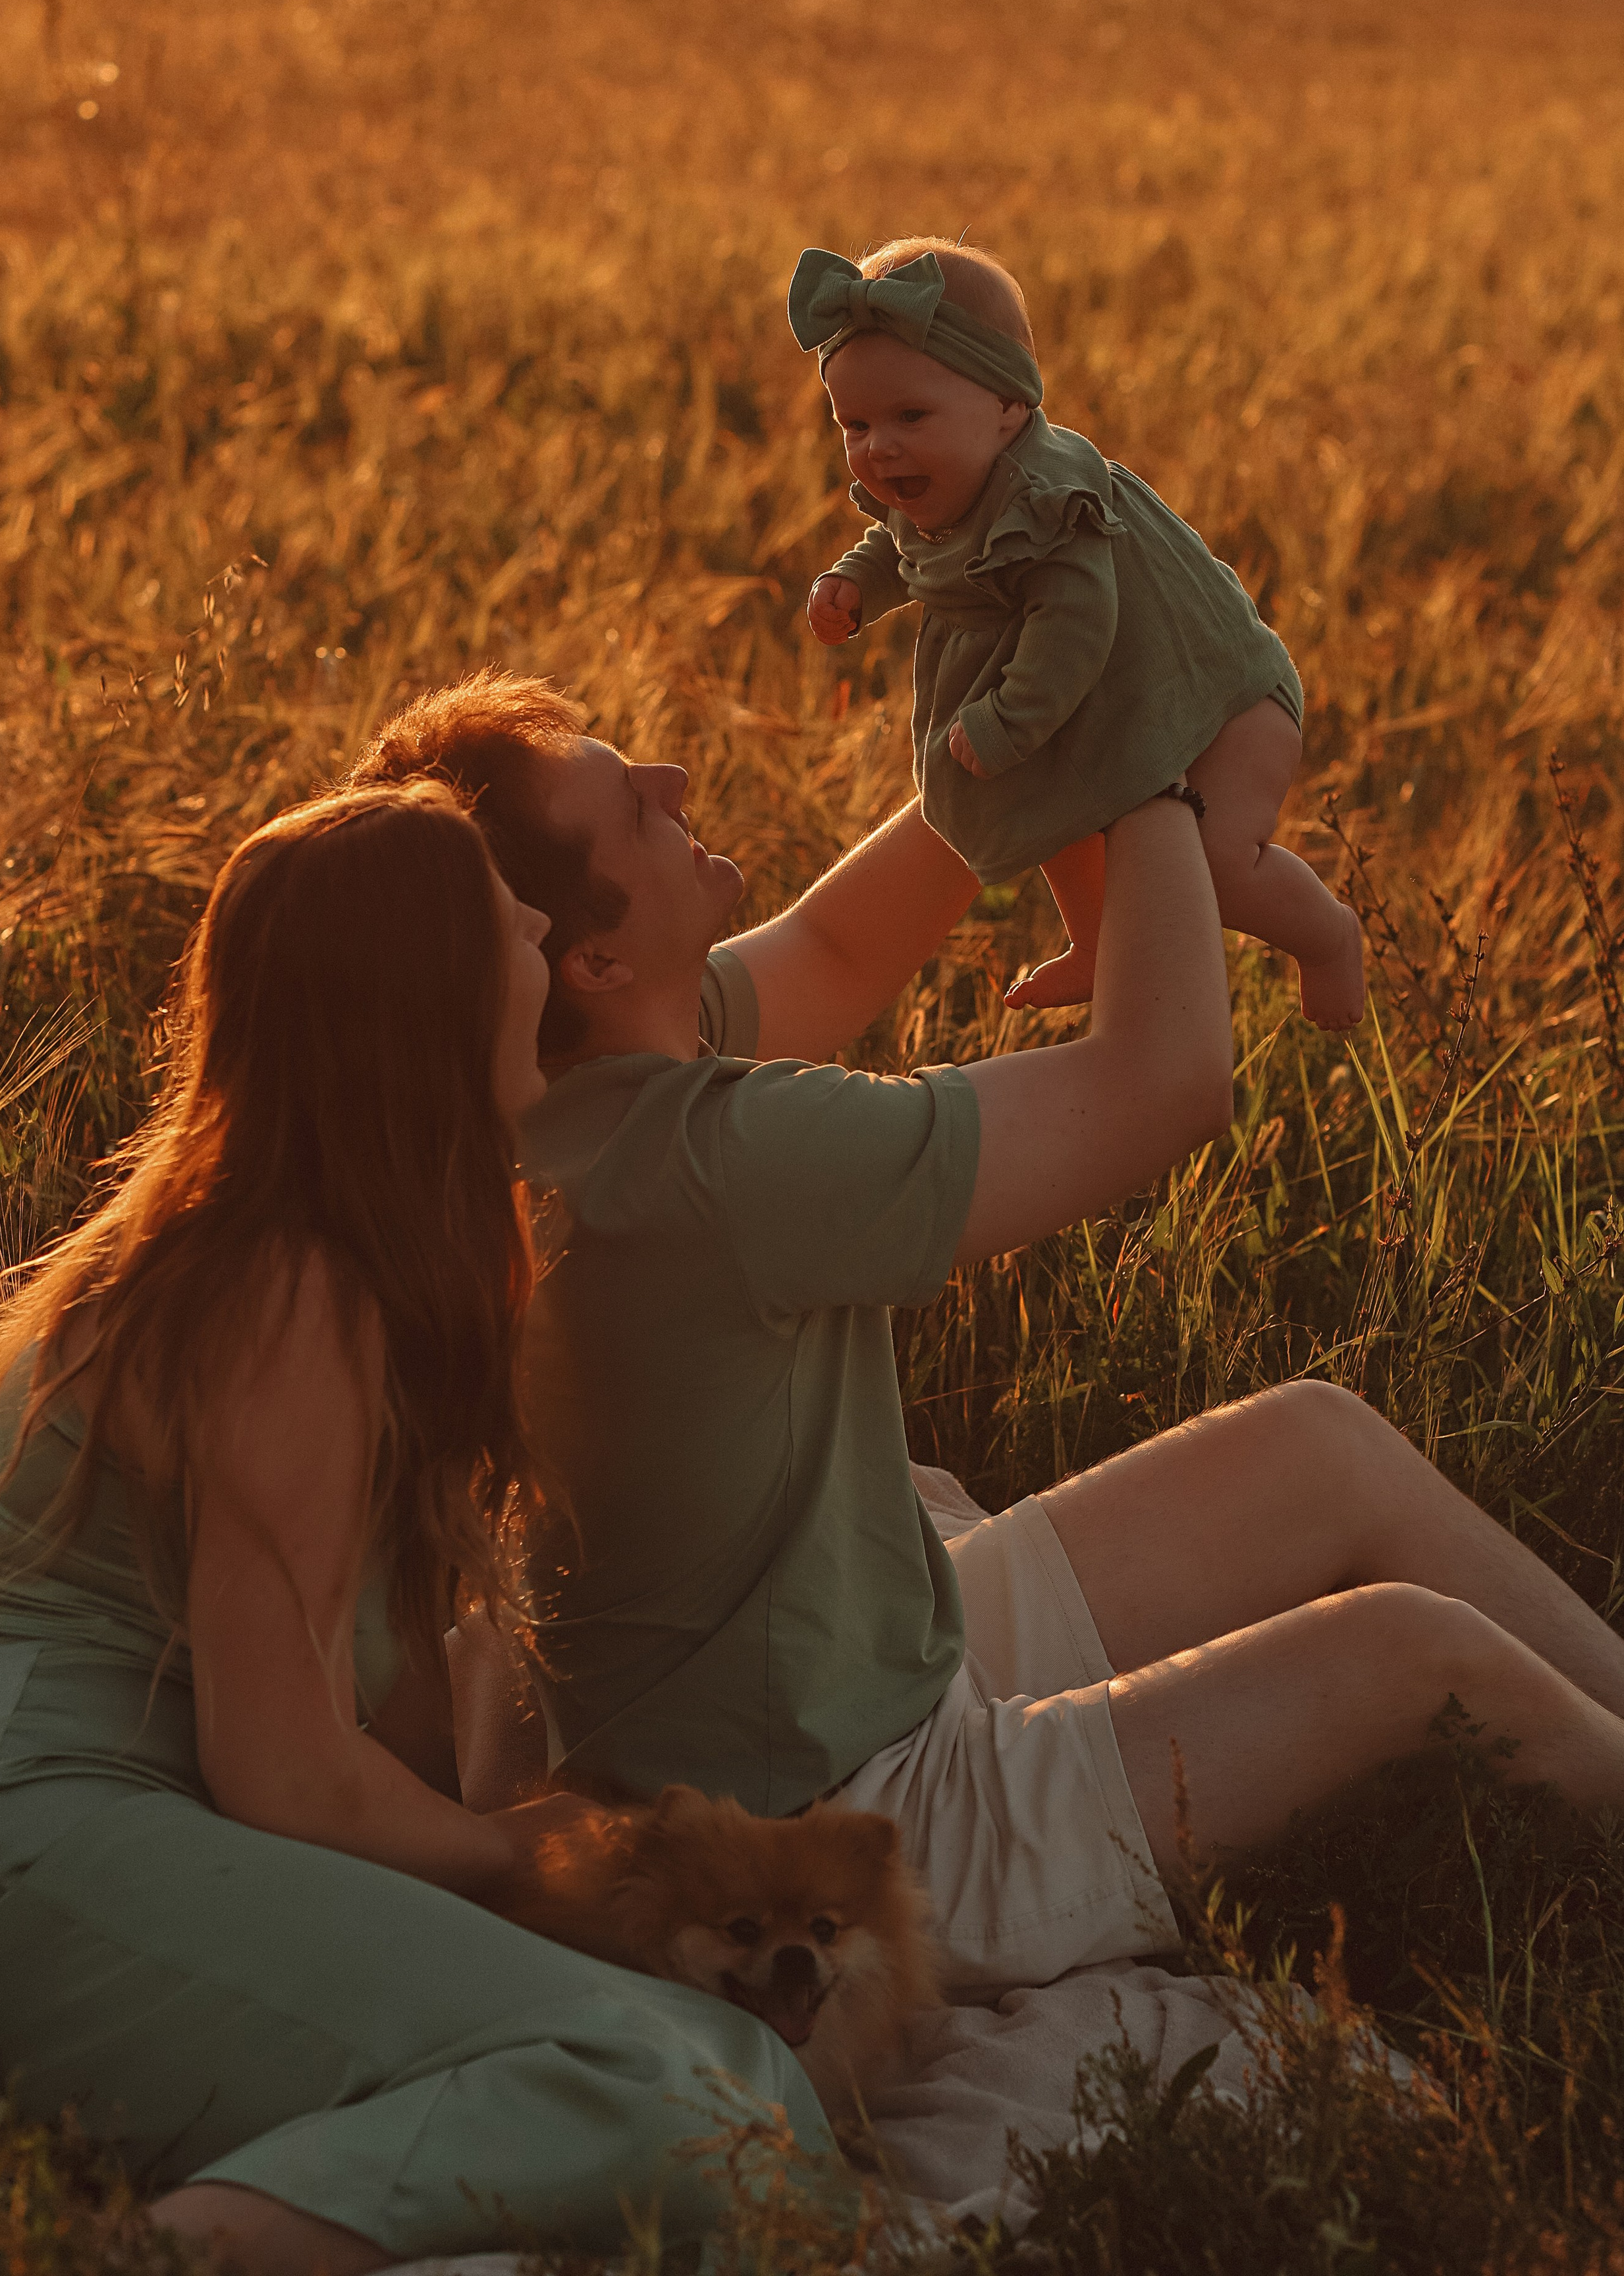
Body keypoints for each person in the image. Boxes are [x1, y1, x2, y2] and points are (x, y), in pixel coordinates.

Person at [350, 673, 1624, 2003]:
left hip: (845, 1669)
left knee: (1317, 1445)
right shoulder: (726, 1165)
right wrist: (1150, 772)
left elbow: (840, 951)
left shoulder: (570, 1082)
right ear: (590, 959)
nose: (671, 785)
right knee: (1418, 1657)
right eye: (630, 805)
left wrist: (1017, 717)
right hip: (847, 1831)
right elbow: (1163, 1082)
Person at [0, 780, 836, 2276]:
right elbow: (284, 1770)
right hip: (18, 1822)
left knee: (736, 2071)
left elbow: (368, 1722)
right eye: (505, 916)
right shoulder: (287, 1291)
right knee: (678, 2105)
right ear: (424, 997)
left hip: (41, 1803)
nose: (542, 926)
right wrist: (515, 1856)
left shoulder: (278, 1238)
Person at [790, 236, 1365, 1027]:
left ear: (1008, 407)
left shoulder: (1050, 503)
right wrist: (852, 585)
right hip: (1118, 699)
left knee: (1218, 866)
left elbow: (1075, 627)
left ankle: (1330, 938)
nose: (878, 446)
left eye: (909, 415)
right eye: (854, 425)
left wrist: (1008, 721)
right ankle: (1095, 944)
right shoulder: (943, 475)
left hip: (1223, 698)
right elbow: (902, 540)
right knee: (1050, 790)